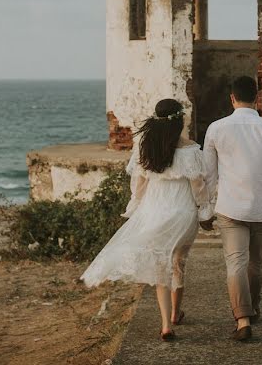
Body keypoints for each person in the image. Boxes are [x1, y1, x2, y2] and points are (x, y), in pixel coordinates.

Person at [80, 98, 213, 341]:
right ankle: (175, 313)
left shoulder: (144, 146)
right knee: (178, 261)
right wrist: (205, 212)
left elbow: (139, 184)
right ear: (180, 120)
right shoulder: (191, 149)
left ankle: (165, 325)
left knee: (160, 266)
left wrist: (135, 207)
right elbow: (198, 187)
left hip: (155, 210)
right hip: (183, 213)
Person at [202, 76, 262, 341]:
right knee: (256, 264)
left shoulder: (216, 129)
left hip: (230, 208)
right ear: (257, 98)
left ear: (232, 98)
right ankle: (252, 308)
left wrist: (204, 210)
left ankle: (243, 320)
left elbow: (209, 175)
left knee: (235, 264)